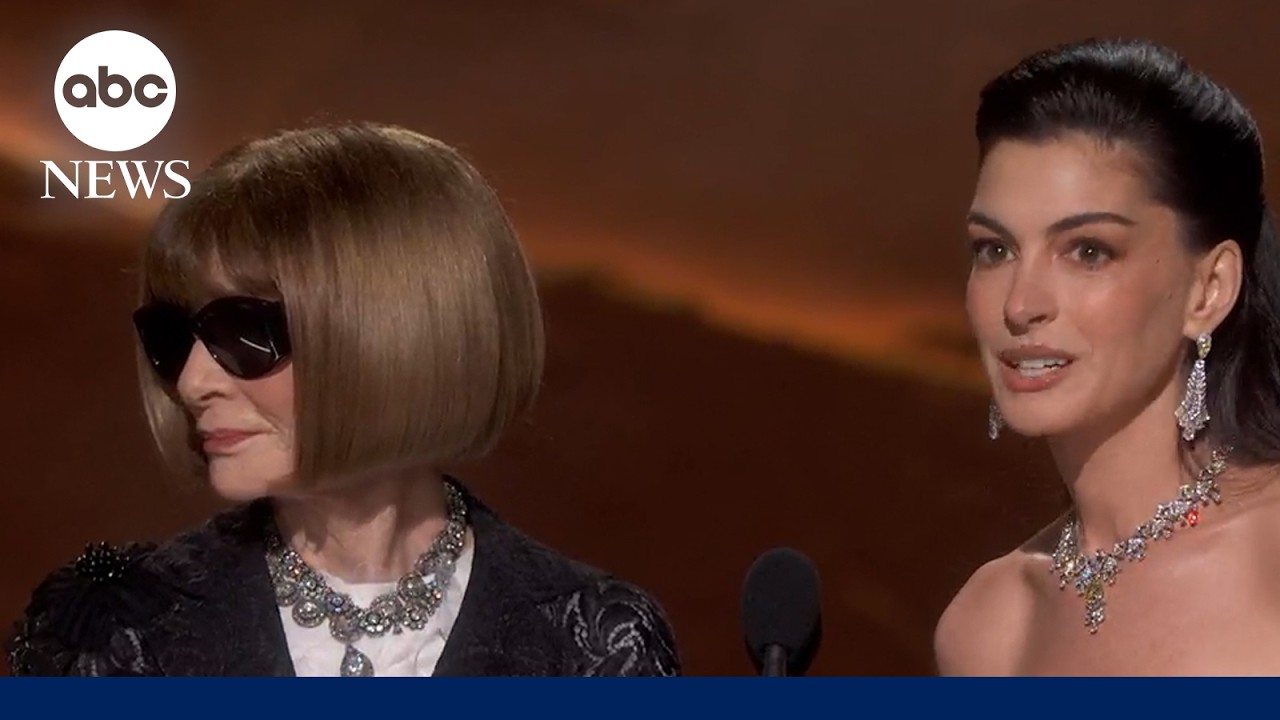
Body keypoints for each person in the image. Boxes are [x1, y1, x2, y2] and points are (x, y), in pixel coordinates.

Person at [6, 122, 681, 677]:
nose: (190, 382)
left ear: (393, 334)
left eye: (243, 332)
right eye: (171, 337)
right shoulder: (110, 631)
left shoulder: (595, 645)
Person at [934, 37, 1280, 675]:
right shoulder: (989, 628)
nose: (1020, 305)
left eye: (1088, 251)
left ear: (1209, 289)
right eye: (995, 250)